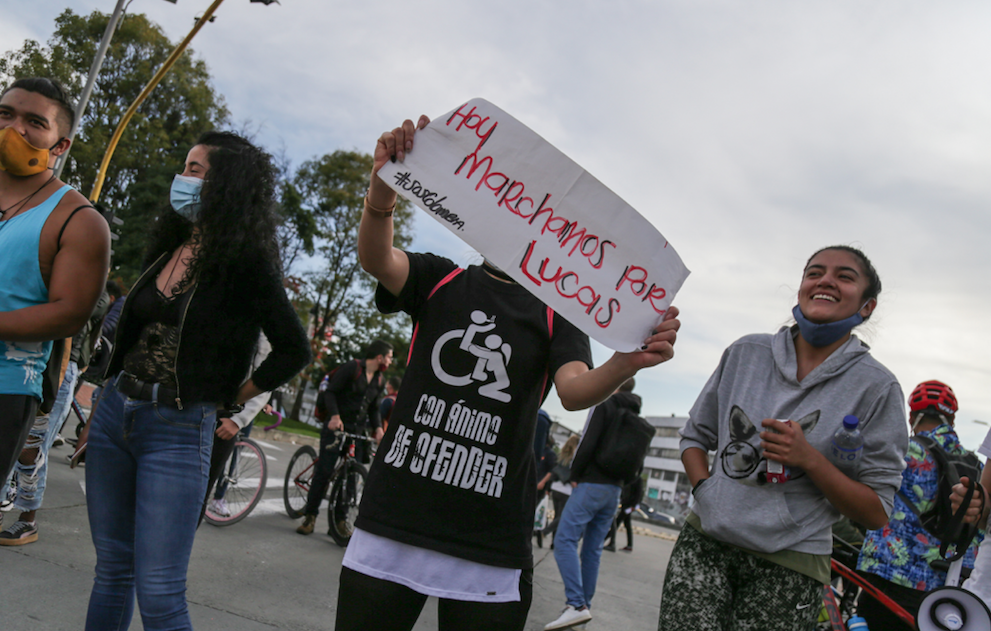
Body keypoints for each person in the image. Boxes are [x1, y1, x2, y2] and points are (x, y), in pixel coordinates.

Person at [334, 115, 680, 631]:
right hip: (396, 518)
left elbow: (573, 390)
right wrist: (382, 190)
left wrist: (628, 360)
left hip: (490, 538)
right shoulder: (441, 277)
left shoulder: (557, 311)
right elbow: (378, 259)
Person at [81, 131, 310, 631]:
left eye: (195, 170)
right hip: (116, 415)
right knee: (112, 571)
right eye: (184, 167)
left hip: (179, 429)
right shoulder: (169, 244)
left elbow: (294, 348)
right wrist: (100, 399)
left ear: (225, 185)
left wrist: (236, 398)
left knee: (160, 593)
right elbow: (132, 334)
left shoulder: (247, 263)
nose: (182, 179)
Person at [657, 245, 908, 631]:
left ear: (868, 306)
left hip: (793, 563)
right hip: (704, 544)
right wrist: (706, 493)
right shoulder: (745, 352)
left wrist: (811, 460)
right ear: (801, 289)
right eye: (815, 273)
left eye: (844, 276)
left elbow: (875, 511)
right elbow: (694, 436)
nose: (826, 280)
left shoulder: (878, 387)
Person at [0, 77, 110, 505]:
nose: (14, 129)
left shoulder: (79, 219)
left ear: (60, 145)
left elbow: (70, 312)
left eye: (33, 121)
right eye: (5, 114)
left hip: (7, 387)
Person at [857, 380, 983, 629]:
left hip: (893, 575)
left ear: (912, 416)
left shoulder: (903, 451)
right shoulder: (976, 465)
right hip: (950, 588)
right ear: (952, 419)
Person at [0, 286, 109, 545]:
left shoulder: (87, 280)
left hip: (57, 367)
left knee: (33, 447)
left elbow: (85, 307)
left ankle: (28, 519)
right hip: (15, 355)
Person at [546, 378, 640, 629]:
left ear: (616, 383)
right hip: (614, 490)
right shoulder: (633, 413)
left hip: (591, 485)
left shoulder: (604, 403)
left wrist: (575, 475)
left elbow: (587, 441)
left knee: (564, 539)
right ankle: (583, 608)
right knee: (592, 550)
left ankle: (576, 604)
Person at [295, 339, 391, 535]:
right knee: (324, 470)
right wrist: (335, 416)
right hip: (336, 426)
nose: (390, 362)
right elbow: (331, 392)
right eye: (389, 357)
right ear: (379, 357)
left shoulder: (379, 380)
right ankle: (310, 517)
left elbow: (374, 409)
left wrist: (379, 429)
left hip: (356, 431)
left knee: (352, 476)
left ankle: (339, 521)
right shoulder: (352, 368)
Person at [202, 334, 272, 522]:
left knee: (232, 455)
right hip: (194, 401)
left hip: (231, 409)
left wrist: (240, 418)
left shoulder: (264, 327)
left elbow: (269, 371)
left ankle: (218, 497)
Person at [545, 435, 580, 549]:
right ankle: (545, 531)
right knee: (563, 516)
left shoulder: (561, 455)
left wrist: (548, 487)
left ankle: (553, 542)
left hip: (556, 488)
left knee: (557, 516)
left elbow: (554, 471)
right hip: (567, 490)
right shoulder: (575, 458)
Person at [605, 471, 644, 553]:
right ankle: (629, 545)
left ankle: (605, 540)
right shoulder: (629, 478)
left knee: (617, 522)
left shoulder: (638, 479)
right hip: (626, 503)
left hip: (629, 505)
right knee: (627, 524)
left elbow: (639, 493)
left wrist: (634, 505)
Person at [534, 433, 558, 549]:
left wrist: (543, 483)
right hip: (534, 482)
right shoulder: (540, 450)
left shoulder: (550, 454)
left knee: (537, 511)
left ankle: (540, 533)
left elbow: (551, 470)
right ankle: (538, 532)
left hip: (540, 485)